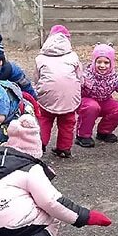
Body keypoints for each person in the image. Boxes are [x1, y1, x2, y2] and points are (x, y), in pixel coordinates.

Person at [75, 43, 118, 147]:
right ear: (94, 62)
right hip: (86, 102)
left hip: (104, 102)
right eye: (99, 62)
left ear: (111, 63)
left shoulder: (113, 77)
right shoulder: (85, 76)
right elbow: (73, 88)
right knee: (92, 106)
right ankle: (82, 135)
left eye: (106, 62)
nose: (102, 65)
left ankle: (104, 132)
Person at [34, 25, 82, 158]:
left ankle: (40, 144)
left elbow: (37, 78)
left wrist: (38, 89)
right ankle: (64, 148)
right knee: (67, 122)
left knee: (44, 119)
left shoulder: (40, 58)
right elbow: (80, 76)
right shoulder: (73, 56)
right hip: (69, 96)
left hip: (47, 95)